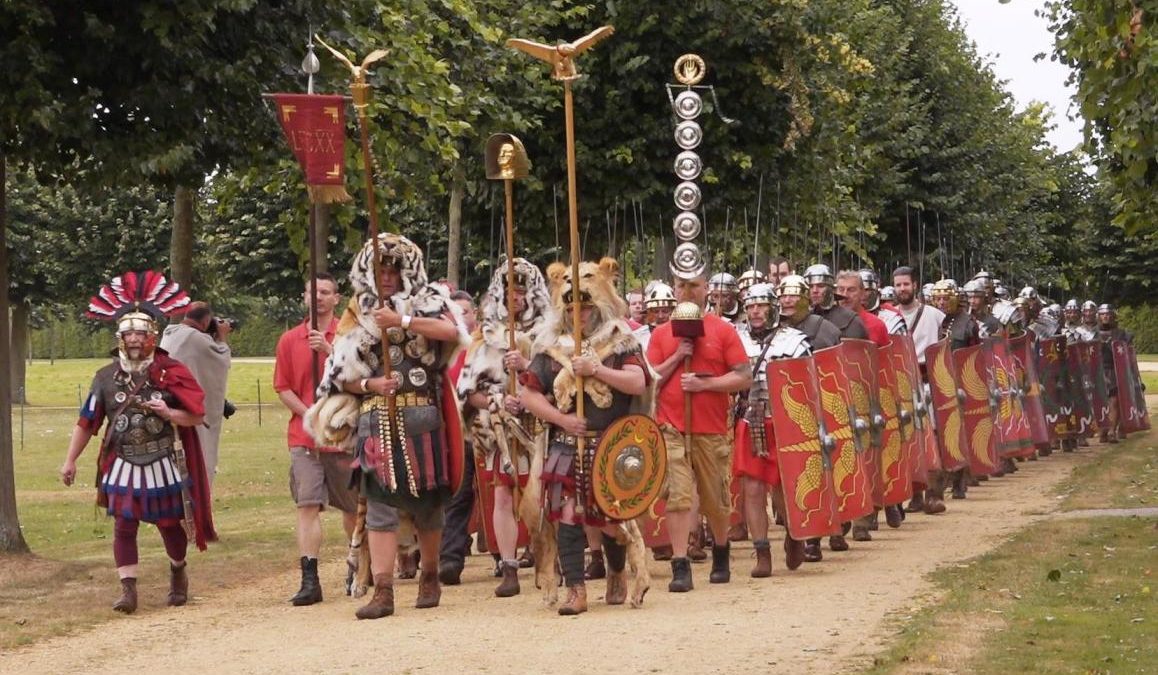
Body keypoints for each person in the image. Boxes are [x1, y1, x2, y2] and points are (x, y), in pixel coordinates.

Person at [307, 233, 469, 620]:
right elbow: (337, 375)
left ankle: (429, 575)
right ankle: (383, 590)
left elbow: (454, 334)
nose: (387, 277)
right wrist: (370, 385)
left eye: (393, 270)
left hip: (423, 418)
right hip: (375, 420)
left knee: (428, 507)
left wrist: (403, 320)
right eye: (380, 270)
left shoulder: (428, 299)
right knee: (379, 507)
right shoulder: (356, 311)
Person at [59, 271, 216, 614]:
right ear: (119, 337)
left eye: (140, 333)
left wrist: (169, 412)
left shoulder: (170, 371)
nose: (133, 339)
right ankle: (128, 590)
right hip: (123, 461)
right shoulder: (105, 377)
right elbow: (88, 422)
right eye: (128, 333)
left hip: (162, 461)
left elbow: (196, 414)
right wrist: (70, 460)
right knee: (123, 524)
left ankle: (178, 571)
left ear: (153, 336)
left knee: (167, 524)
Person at [520, 257, 651, 615]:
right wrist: (560, 420)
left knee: (611, 518)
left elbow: (638, 382)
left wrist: (596, 370)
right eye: (573, 305)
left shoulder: (619, 340)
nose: (580, 312)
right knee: (567, 515)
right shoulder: (550, 349)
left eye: (586, 304)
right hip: (566, 444)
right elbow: (527, 395)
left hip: (611, 444)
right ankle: (575, 590)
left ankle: (616, 572)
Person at [647, 272, 753, 592]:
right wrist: (677, 356)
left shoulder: (723, 330)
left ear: (706, 288)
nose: (687, 291)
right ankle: (680, 564)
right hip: (671, 426)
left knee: (715, 499)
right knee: (677, 495)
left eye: (694, 285)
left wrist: (707, 384)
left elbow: (743, 377)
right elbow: (649, 380)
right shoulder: (661, 334)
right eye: (681, 285)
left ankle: (721, 550)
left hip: (711, 428)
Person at [455, 258, 554, 597]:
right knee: (501, 494)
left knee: (547, 493)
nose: (516, 299)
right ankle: (509, 566)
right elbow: (468, 392)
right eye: (510, 292)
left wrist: (528, 366)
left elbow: (562, 380)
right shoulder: (485, 335)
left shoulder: (549, 331)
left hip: (541, 425)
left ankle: (549, 559)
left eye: (522, 292)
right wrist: (498, 401)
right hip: (501, 427)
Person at [274, 273, 359, 607]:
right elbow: (283, 386)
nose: (318, 297)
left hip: (341, 435)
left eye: (325, 292)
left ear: (336, 298)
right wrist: (310, 414)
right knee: (307, 504)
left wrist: (329, 349)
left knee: (352, 508)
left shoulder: (349, 336)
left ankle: (356, 563)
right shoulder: (289, 340)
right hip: (305, 437)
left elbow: (358, 376)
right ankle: (309, 578)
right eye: (313, 292)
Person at [733, 283, 809, 577]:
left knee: (782, 490)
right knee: (752, 489)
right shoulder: (736, 340)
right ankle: (762, 552)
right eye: (750, 306)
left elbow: (807, 384)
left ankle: (794, 533)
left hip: (784, 422)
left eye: (761, 305)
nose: (755, 311)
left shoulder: (795, 342)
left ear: (773, 308)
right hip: (750, 420)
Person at [159, 301, 232, 485]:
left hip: (169, 403)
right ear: (206, 320)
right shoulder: (196, 339)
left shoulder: (170, 333)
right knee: (198, 455)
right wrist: (222, 337)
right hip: (189, 408)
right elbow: (222, 360)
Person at [892, 266, 946, 514]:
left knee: (932, 438)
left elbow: (944, 351)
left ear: (915, 285)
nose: (902, 289)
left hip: (928, 382)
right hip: (901, 384)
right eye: (898, 285)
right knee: (908, 441)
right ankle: (914, 494)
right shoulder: (890, 317)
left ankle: (934, 494)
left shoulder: (935, 316)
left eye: (906, 284)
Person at [930, 279, 980, 503]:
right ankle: (941, 480)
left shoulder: (968, 323)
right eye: (937, 298)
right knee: (937, 433)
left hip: (959, 382)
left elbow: (975, 357)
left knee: (957, 432)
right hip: (936, 381)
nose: (941, 302)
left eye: (944, 297)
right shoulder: (933, 321)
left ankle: (960, 478)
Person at [1096, 304, 1133, 443]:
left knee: (1114, 401)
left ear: (1113, 316)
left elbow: (1128, 355)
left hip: (1115, 370)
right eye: (1102, 314)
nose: (1105, 316)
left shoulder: (1122, 334)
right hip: (1098, 372)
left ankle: (1112, 430)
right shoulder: (1091, 333)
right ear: (1098, 316)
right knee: (1099, 403)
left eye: (1108, 314)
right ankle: (1103, 430)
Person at [804, 264, 868, 340]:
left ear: (831, 289)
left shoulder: (851, 321)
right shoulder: (799, 318)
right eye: (810, 286)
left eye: (821, 286)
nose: (815, 290)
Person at [860, 269, 906, 335]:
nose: (862, 294)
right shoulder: (845, 319)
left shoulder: (892, 321)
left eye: (867, 290)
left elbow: (901, 344)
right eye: (857, 290)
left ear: (877, 292)